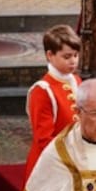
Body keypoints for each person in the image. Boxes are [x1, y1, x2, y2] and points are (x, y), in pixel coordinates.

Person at [24, 24, 82, 179]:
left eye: (76, 55)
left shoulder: (76, 81)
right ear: (50, 55)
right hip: (51, 164)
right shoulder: (42, 91)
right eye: (67, 56)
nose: (73, 61)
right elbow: (43, 139)